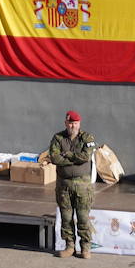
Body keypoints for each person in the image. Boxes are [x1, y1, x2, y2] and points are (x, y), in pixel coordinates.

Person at [47, 109, 99, 259]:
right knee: (66, 217)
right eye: (70, 123)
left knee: (83, 217)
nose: (72, 126)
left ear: (79, 124)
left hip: (83, 186)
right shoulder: (58, 138)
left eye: (75, 123)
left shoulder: (87, 138)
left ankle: (85, 247)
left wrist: (68, 155)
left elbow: (85, 156)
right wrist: (73, 160)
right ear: (65, 123)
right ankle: (70, 246)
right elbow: (55, 158)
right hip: (64, 185)